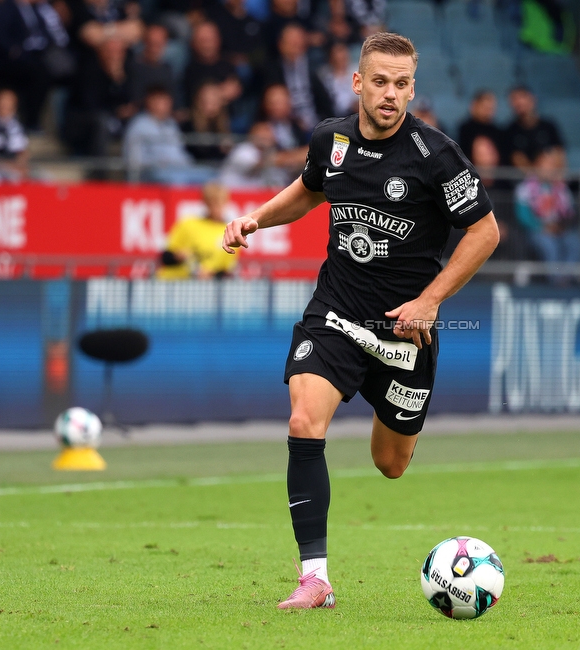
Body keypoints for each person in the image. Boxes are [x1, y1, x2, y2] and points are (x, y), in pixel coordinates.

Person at [220, 32, 500, 609]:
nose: (390, 94)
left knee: (390, 464)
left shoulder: (435, 155)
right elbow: (308, 191)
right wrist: (256, 219)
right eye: (380, 82)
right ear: (358, 82)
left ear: (412, 88)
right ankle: (315, 577)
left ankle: (395, 418)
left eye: (401, 84)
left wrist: (430, 301)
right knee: (303, 420)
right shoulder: (331, 139)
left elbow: (485, 231)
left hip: (405, 334)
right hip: (336, 315)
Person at [0, 0, 73, 130]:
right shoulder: (4, 7)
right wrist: (13, 51)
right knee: (40, 72)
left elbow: (48, 35)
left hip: (36, 57)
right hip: (8, 60)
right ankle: (31, 121)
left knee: (67, 70)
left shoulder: (38, 10)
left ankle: (65, 123)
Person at [123, 85, 216, 184]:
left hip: (178, 169)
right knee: (176, 180)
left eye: (168, 100)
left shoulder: (171, 124)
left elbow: (179, 153)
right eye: (161, 100)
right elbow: (133, 160)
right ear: (149, 101)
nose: (167, 104)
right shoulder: (138, 125)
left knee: (211, 175)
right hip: (152, 173)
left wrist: (189, 165)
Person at [63, 37, 137, 155]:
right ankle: (99, 169)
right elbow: (90, 104)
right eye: (109, 51)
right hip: (81, 123)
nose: (113, 56)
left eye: (117, 52)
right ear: (100, 52)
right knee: (102, 121)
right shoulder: (88, 70)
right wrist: (116, 110)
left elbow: (130, 101)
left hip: (114, 119)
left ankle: (134, 169)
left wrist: (118, 80)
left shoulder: (126, 72)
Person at [515, 147, 579, 281]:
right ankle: (555, 283)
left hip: (559, 230)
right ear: (537, 166)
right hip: (535, 231)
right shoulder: (524, 188)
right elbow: (523, 216)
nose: (549, 168)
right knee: (548, 244)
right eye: (546, 164)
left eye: (552, 164)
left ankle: (565, 280)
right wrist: (542, 227)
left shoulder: (562, 188)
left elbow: (570, 213)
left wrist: (560, 227)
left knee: (574, 242)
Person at [160, 182, 240, 278]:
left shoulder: (231, 233)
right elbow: (165, 257)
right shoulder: (188, 224)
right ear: (205, 203)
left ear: (225, 202)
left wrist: (210, 274)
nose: (215, 207)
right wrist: (178, 256)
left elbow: (227, 272)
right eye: (211, 202)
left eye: (218, 202)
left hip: (205, 289)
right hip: (176, 283)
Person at [264, 22, 334, 133]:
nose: (295, 46)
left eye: (298, 42)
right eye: (291, 42)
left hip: (317, 123)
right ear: (281, 44)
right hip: (288, 125)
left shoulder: (314, 65)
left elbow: (326, 101)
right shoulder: (271, 69)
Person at [183, 21, 243, 109]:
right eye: (203, 41)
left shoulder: (228, 66)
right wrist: (221, 94)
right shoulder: (191, 70)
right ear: (193, 44)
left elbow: (235, 90)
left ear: (218, 40)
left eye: (210, 40)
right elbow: (201, 99)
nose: (207, 45)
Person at [504, 84, 564, 170]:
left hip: (552, 177)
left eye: (522, 97)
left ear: (532, 99)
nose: (519, 103)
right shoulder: (510, 131)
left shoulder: (549, 126)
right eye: (514, 99)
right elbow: (517, 159)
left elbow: (559, 154)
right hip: (525, 181)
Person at [220, 120, 292, 188]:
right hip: (231, 194)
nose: (267, 135)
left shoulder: (269, 151)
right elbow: (260, 165)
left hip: (254, 195)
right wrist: (295, 157)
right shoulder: (243, 150)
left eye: (269, 132)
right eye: (262, 133)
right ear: (252, 134)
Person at [182, 81, 233, 161]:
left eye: (214, 102)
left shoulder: (222, 124)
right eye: (206, 101)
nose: (210, 106)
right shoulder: (188, 124)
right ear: (198, 101)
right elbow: (197, 153)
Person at [129, 23, 176, 107]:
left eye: (158, 44)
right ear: (144, 42)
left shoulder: (167, 69)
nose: (154, 49)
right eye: (151, 43)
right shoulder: (133, 67)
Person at [457, 89, 502, 160]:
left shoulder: (497, 131)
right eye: (486, 107)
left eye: (491, 108)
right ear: (475, 105)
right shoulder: (466, 129)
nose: (489, 111)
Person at [319, 41, 358, 116]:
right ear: (331, 56)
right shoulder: (324, 76)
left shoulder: (358, 71)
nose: (343, 55)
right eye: (339, 52)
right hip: (335, 117)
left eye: (344, 51)